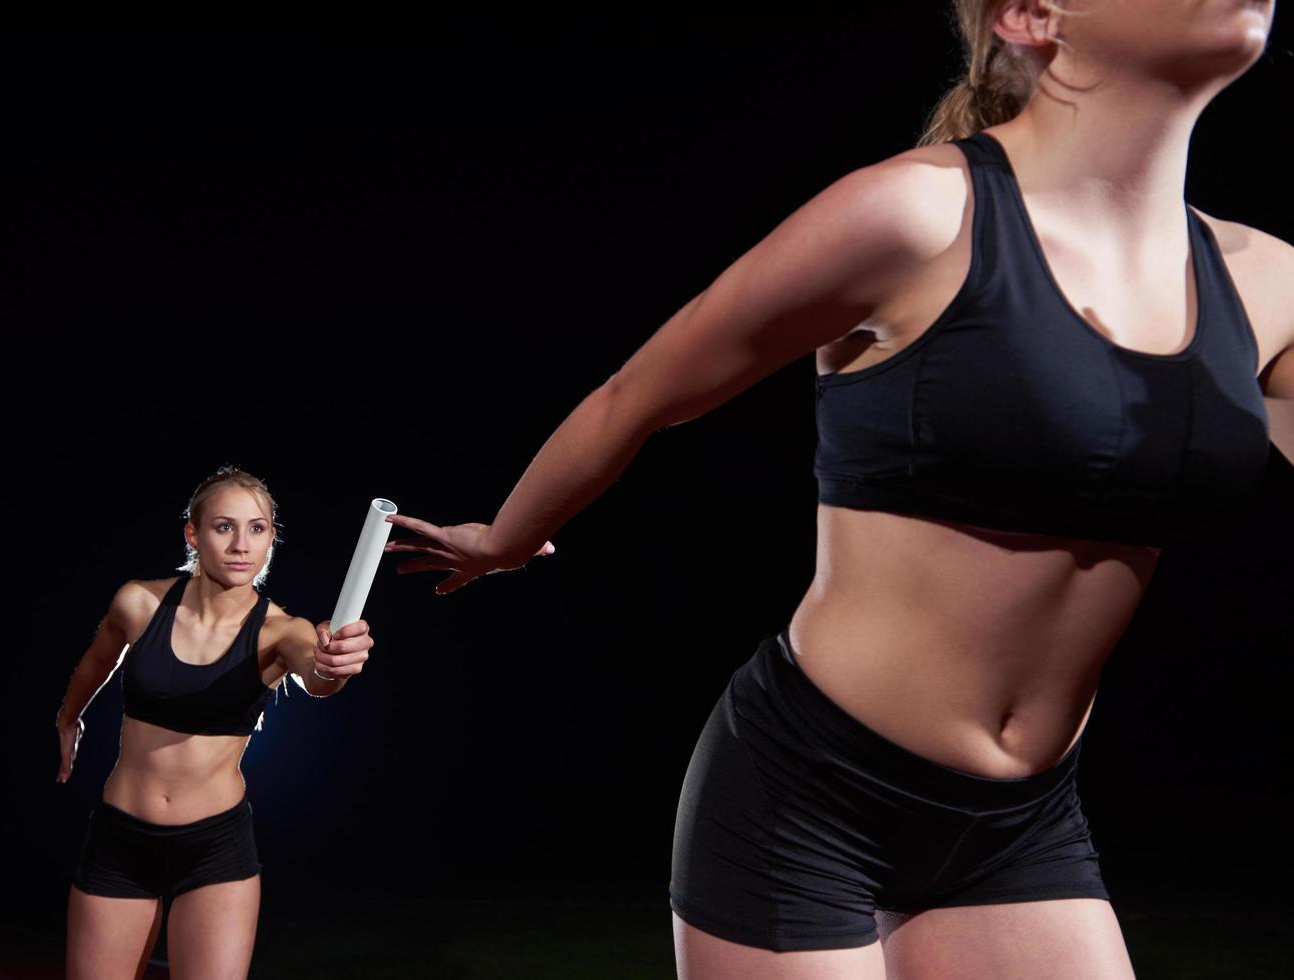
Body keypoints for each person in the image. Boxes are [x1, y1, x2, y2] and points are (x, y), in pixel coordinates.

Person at [379, 1, 1293, 977]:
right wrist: (506, 538)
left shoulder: (1266, 282)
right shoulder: (913, 215)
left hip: (1021, 820)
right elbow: (635, 395)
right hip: (808, 795)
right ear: (1030, 16)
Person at [54, 466, 375, 979]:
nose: (241, 544)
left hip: (215, 852)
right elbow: (97, 662)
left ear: (271, 539)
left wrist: (336, 663)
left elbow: (317, 674)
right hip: (120, 844)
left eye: (257, 528)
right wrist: (69, 717)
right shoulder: (139, 602)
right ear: (193, 534)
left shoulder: (280, 631)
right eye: (224, 527)